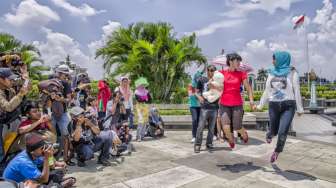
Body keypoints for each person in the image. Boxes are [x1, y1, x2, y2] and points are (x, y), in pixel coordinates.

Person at [257, 51, 303, 163]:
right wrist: (260, 105)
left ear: (282, 59)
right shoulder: (271, 72)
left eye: (274, 59)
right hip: (273, 105)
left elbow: (297, 90)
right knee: (274, 131)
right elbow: (267, 90)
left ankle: (277, 151)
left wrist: (300, 108)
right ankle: (270, 134)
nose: (272, 61)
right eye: (273, 59)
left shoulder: (292, 72)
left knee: (283, 131)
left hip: (288, 106)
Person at [3, 133, 74, 187]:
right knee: (54, 184)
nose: (44, 150)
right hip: (16, 185)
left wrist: (50, 156)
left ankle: (57, 183)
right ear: (32, 151)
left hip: (28, 180)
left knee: (58, 171)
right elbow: (44, 179)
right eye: (41, 148)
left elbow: (52, 167)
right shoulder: (24, 162)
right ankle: (58, 185)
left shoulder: (35, 153)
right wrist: (46, 158)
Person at [219, 53, 255, 149]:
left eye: (240, 60)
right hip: (224, 104)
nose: (239, 62)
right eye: (237, 60)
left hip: (237, 104)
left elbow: (248, 88)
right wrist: (211, 84)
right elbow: (215, 85)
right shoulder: (222, 73)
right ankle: (230, 139)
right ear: (230, 61)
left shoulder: (241, 74)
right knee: (225, 127)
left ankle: (244, 134)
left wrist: (251, 101)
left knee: (237, 127)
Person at [0, 68, 29, 161]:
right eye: (10, 79)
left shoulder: (8, 89)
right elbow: (8, 107)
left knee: (8, 149)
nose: (12, 81)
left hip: (7, 124)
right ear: (1, 79)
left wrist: (26, 79)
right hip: (2, 125)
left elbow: (26, 86)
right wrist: (20, 94)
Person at [51, 66, 74, 166]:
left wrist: (60, 99)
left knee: (65, 136)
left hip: (62, 113)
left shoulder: (66, 84)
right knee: (52, 137)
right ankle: (52, 161)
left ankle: (65, 159)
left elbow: (69, 100)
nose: (66, 76)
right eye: (65, 74)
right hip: (51, 113)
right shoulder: (51, 82)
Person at [194, 65, 219, 153]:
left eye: (213, 70)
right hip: (204, 107)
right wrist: (199, 97)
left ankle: (209, 143)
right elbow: (196, 92)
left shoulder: (218, 82)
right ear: (207, 71)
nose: (212, 72)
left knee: (212, 128)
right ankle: (197, 144)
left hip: (215, 107)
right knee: (200, 127)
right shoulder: (202, 80)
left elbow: (221, 92)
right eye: (210, 70)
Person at [134, 77, 151, 142]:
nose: (142, 86)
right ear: (138, 85)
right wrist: (145, 98)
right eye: (141, 84)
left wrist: (145, 98)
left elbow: (149, 100)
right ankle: (138, 136)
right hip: (139, 107)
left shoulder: (146, 91)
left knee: (145, 122)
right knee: (140, 121)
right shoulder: (136, 91)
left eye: (143, 84)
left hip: (145, 107)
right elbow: (139, 99)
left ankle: (142, 135)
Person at [188, 78, 201, 143]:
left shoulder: (201, 84)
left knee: (198, 121)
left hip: (199, 106)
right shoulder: (191, 85)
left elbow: (202, 95)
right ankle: (194, 136)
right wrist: (196, 93)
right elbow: (190, 95)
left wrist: (196, 93)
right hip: (192, 106)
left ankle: (197, 135)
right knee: (195, 119)